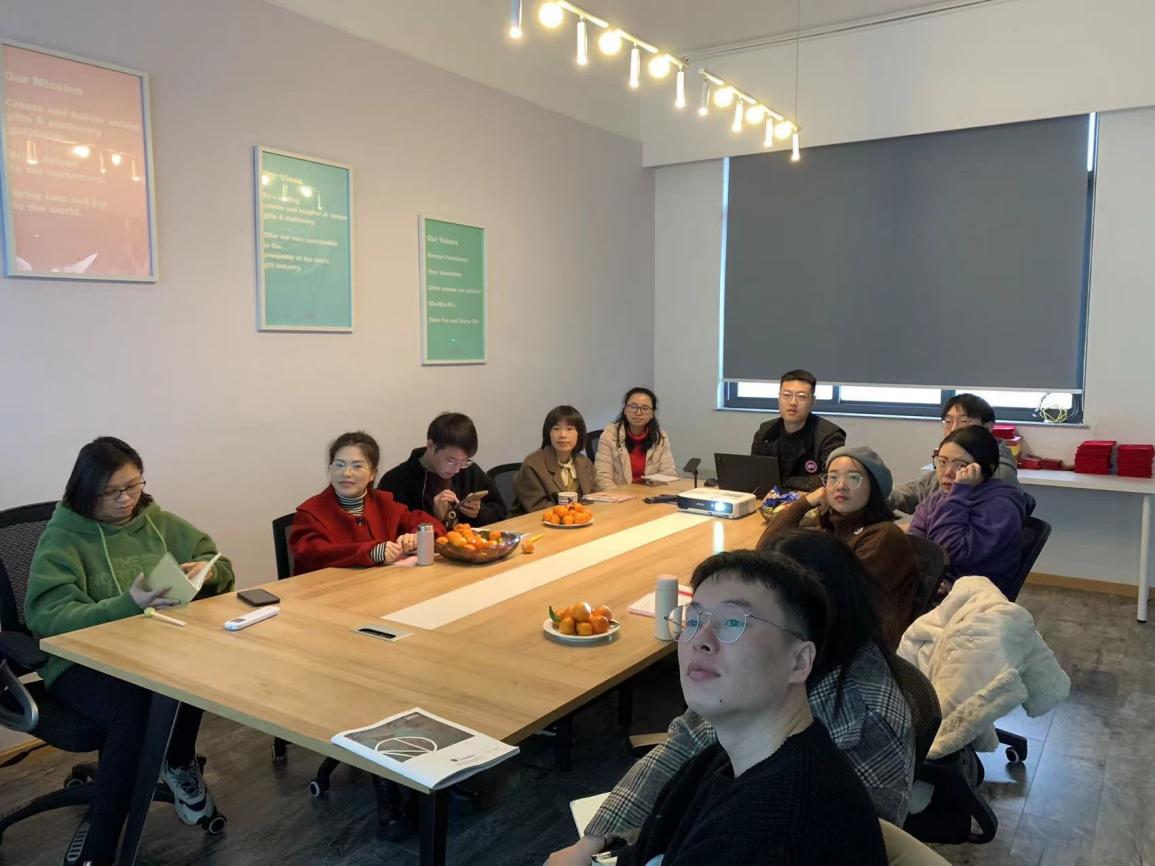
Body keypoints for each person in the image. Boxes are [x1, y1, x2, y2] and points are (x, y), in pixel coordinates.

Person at [553, 534, 913, 865]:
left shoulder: (766, 835)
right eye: (693, 620)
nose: (700, 639)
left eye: (733, 622)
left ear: (800, 660)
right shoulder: (725, 755)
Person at [25, 437, 235, 865]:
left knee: (199, 670)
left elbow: (219, 561)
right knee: (133, 714)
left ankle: (178, 763)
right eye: (112, 492)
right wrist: (127, 604)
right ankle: (101, 847)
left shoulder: (156, 521)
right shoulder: (62, 537)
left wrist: (206, 573)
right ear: (87, 490)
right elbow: (47, 617)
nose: (126, 500)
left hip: (150, 650)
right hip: (79, 662)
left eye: (134, 486)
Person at [759, 445, 921, 649]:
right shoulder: (830, 528)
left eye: (853, 478)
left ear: (874, 488)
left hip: (861, 647)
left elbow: (838, 599)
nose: (840, 486)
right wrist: (805, 502)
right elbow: (765, 553)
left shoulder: (884, 536)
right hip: (821, 633)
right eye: (833, 477)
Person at [290, 431, 444, 574]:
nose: (346, 473)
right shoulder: (310, 513)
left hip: (378, 587)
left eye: (357, 466)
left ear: (372, 474)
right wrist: (371, 552)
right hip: (328, 590)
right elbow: (315, 553)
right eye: (339, 465)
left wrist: (416, 537)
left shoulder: (384, 503)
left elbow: (430, 524)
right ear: (330, 469)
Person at [908, 425, 1028, 598]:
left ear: (986, 469)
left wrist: (959, 492)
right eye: (942, 461)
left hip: (978, 597)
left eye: (961, 465)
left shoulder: (1001, 506)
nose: (947, 473)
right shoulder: (939, 498)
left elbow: (953, 554)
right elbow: (915, 544)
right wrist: (925, 576)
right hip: (937, 584)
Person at [889, 393, 1020, 514]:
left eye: (964, 421)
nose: (953, 428)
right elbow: (919, 489)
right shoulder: (949, 459)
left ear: (988, 427)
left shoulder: (999, 472)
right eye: (948, 421)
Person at [378, 412, 509, 528]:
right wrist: (434, 517)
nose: (457, 470)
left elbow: (501, 514)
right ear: (430, 446)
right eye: (451, 461)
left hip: (469, 546)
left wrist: (479, 513)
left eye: (464, 461)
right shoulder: (396, 482)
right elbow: (390, 534)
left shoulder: (469, 470)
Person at [751, 369, 846, 491]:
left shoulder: (830, 436)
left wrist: (787, 482)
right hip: (769, 499)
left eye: (801, 397)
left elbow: (831, 478)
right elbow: (755, 473)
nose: (793, 402)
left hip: (811, 500)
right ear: (778, 399)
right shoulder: (765, 432)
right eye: (786, 395)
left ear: (813, 402)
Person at [513, 406, 599, 513]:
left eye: (569, 429)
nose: (562, 435)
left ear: (579, 434)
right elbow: (539, 508)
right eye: (556, 429)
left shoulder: (584, 462)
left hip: (578, 519)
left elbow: (596, 496)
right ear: (548, 433)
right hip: (539, 521)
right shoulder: (533, 464)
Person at [594, 387, 677, 488]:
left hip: (651, 494)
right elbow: (602, 477)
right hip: (618, 494)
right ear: (625, 410)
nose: (638, 413)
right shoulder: (609, 436)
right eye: (633, 407)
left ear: (652, 414)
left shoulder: (660, 437)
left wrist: (657, 494)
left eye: (645, 408)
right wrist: (618, 495)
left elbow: (668, 473)